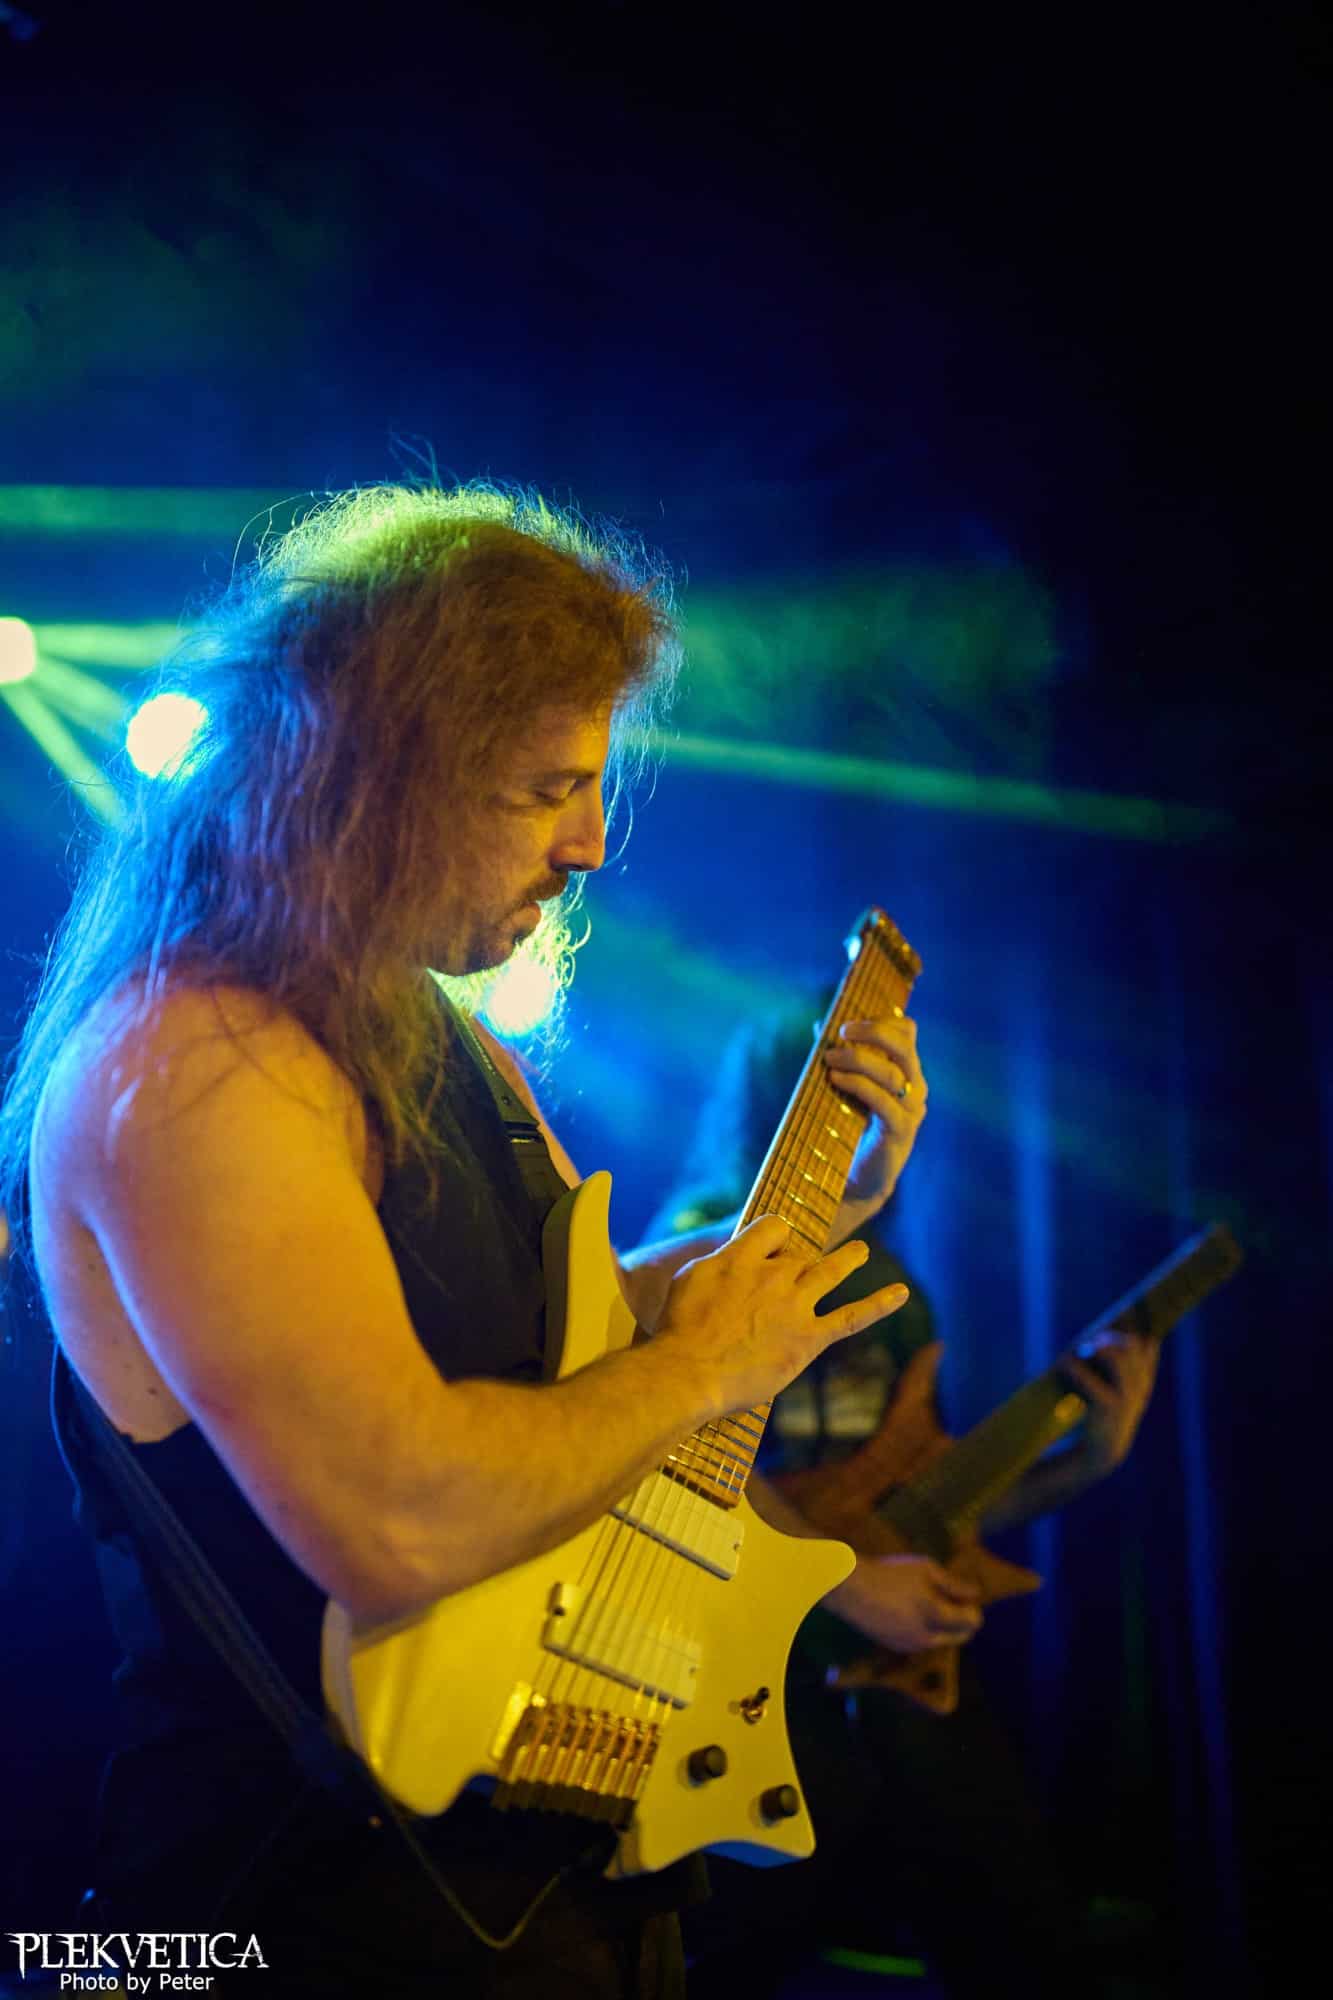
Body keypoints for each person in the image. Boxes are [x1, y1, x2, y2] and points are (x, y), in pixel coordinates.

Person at [0, 485, 936, 1999]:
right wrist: (700, 1370)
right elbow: (394, 1524)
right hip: (292, 1917)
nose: (588, 845)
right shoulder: (192, 1065)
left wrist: (818, 1207)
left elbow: (574, 1334)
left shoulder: (446, 1040)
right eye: (544, 787)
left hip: (537, 1882)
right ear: (378, 771)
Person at [652, 1007, 1160, 2000]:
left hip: (881, 1653)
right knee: (734, 1935)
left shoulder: (891, 1285)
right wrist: (847, 1584)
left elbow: (921, 1508)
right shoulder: (695, 1258)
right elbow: (677, 1455)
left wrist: (1088, 1460)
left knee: (1021, 1924)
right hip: (742, 1655)